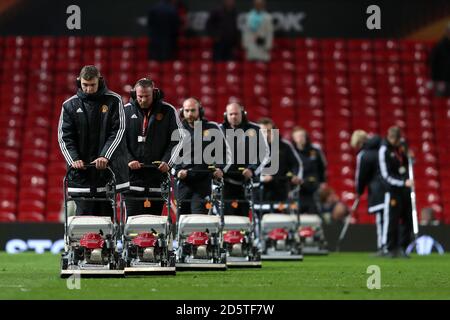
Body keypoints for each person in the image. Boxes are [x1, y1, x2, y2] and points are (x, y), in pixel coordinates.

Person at [58, 65, 129, 216]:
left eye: (92, 85)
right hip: (81, 175)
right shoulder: (69, 105)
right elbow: (64, 137)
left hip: (106, 172)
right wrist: (74, 159)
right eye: (85, 85)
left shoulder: (114, 101)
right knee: (85, 220)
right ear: (79, 82)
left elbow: (119, 131)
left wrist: (105, 156)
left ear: (100, 81)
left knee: (106, 222)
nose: (89, 89)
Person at [123, 78, 184, 216]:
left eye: (147, 96)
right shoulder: (125, 111)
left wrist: (168, 162)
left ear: (154, 93)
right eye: (140, 96)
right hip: (132, 179)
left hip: (158, 177)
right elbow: (118, 140)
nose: (143, 100)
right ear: (134, 94)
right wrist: (129, 159)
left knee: (155, 223)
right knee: (133, 224)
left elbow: (178, 139)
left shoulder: (168, 111)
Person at [174, 97, 230, 215]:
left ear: (200, 111)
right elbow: (171, 154)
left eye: (193, 110)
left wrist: (220, 167)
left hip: (203, 181)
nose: (190, 114)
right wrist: (177, 171)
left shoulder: (212, 127)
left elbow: (225, 153)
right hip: (183, 181)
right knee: (182, 220)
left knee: (199, 219)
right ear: (182, 112)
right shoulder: (177, 130)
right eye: (187, 110)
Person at [220, 102, 270, 216]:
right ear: (225, 115)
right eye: (231, 114)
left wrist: (252, 170)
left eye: (236, 114)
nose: (233, 116)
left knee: (244, 217)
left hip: (247, 181)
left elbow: (264, 153)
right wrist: (219, 169)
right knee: (227, 217)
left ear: (243, 114)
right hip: (225, 181)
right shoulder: (219, 130)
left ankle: (244, 233)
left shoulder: (255, 129)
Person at [378, 126, 414, 258]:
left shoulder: (401, 147)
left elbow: (406, 163)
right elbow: (385, 176)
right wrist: (402, 183)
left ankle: (403, 248)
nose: (395, 141)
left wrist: (410, 157)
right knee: (391, 220)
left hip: (405, 190)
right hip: (392, 191)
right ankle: (389, 248)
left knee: (407, 219)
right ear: (389, 137)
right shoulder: (384, 150)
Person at [351, 129, 386, 254]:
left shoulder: (364, 155)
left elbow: (360, 176)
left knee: (381, 219)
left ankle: (383, 247)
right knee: (389, 218)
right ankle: (390, 246)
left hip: (377, 190)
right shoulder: (382, 149)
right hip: (390, 188)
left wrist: (359, 191)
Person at [257, 118, 302, 206]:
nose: (266, 134)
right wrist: (261, 178)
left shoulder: (285, 146)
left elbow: (296, 164)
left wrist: (294, 176)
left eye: (269, 131)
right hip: (259, 193)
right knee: (261, 218)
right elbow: (246, 169)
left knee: (280, 218)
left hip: (281, 191)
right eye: (263, 131)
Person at [291, 126, 327, 214]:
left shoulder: (315, 151)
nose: (300, 139)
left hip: (312, 190)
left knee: (314, 215)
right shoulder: (291, 152)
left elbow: (322, 167)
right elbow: (286, 170)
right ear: (294, 138)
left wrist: (322, 182)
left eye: (302, 136)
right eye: (298, 136)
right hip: (295, 191)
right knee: (294, 213)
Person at [429, 22, 450, 97]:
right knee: (440, 103)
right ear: (447, 32)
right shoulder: (439, 46)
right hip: (441, 81)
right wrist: (435, 80)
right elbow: (432, 63)